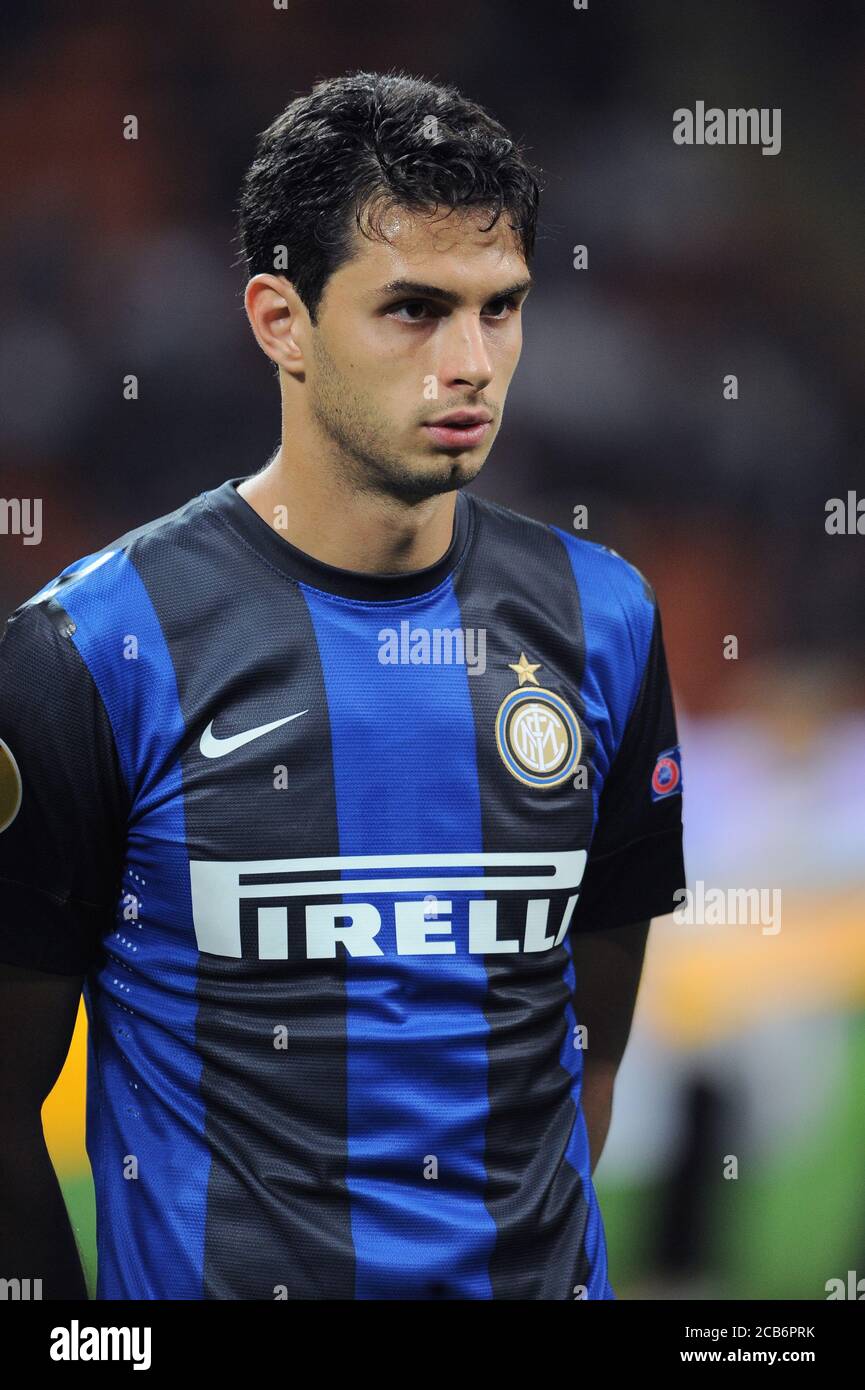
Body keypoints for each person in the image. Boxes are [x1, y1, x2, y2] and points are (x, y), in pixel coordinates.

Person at [0, 70, 685, 1300]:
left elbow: (584, 1055)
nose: (470, 363)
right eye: (414, 310)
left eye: (500, 308)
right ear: (280, 320)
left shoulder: (606, 620)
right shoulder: (89, 654)